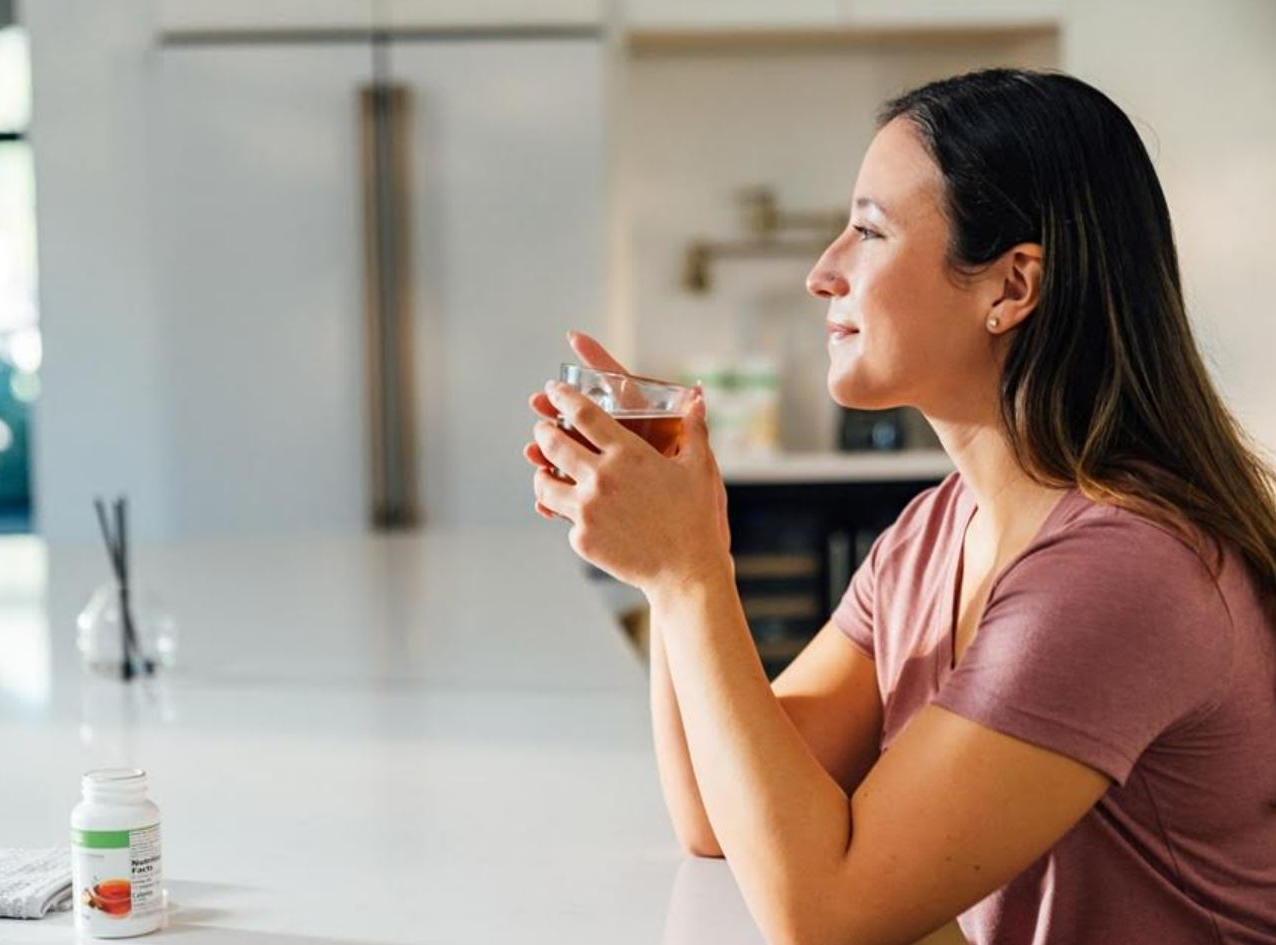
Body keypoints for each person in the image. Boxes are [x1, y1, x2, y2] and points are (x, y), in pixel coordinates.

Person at [524, 69, 1276, 945]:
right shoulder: (934, 530)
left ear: (1011, 287)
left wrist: (689, 574)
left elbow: (828, 914)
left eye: (868, 231)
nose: (820, 273)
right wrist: (675, 567)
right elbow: (717, 818)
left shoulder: (1122, 571)